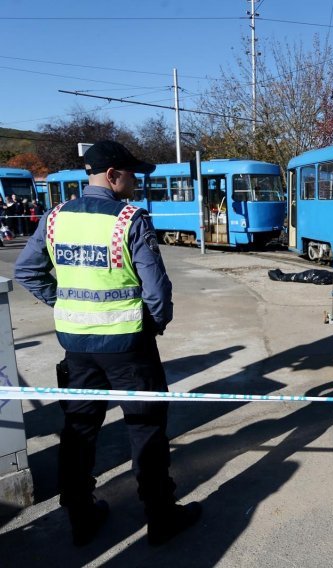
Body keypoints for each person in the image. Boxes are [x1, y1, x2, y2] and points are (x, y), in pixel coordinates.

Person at [14, 140, 202, 546]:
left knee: (78, 430)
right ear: (112, 174)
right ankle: (160, 516)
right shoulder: (130, 219)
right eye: (132, 173)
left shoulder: (54, 217)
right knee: (146, 429)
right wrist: (153, 323)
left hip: (77, 348)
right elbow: (157, 291)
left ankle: (80, 516)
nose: (135, 180)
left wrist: (61, 301)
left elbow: (27, 271)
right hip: (129, 348)